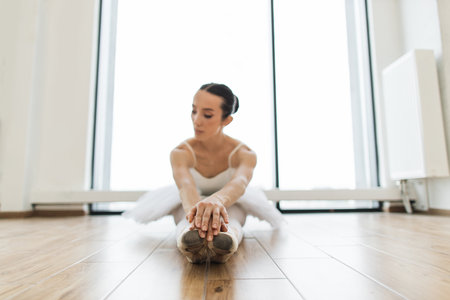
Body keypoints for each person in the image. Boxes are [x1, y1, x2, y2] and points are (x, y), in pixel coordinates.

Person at [122, 83, 284, 263]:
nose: (196, 120)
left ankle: (226, 241)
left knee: (233, 217)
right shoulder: (180, 153)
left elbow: (239, 183)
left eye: (207, 115)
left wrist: (217, 201)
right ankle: (189, 242)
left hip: (231, 201)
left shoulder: (245, 154)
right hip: (188, 199)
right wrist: (198, 217)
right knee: (186, 219)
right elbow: (185, 186)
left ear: (226, 120)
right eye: (194, 111)